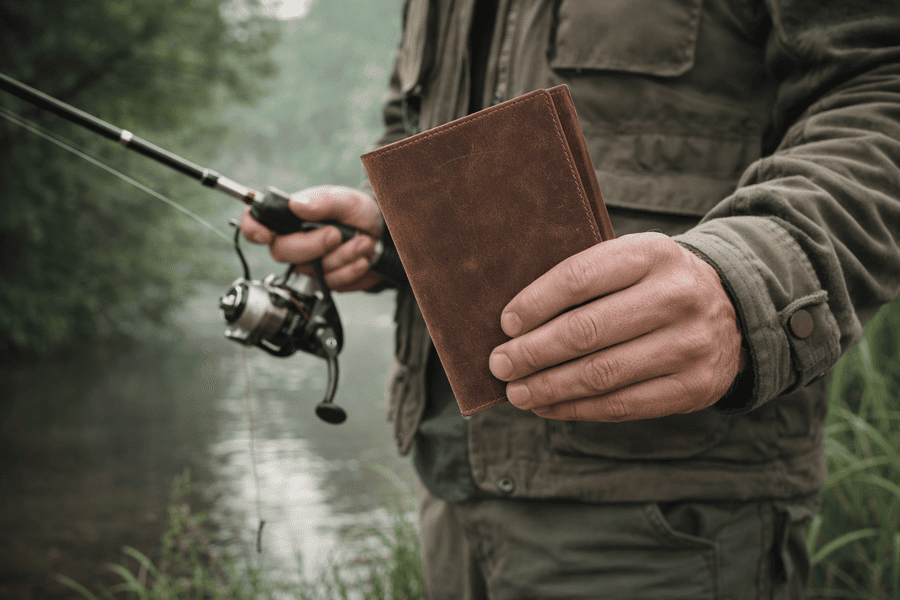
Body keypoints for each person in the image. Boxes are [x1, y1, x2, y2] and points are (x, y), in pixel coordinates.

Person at [241, 0, 900, 597]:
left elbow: (880, 84)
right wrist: (395, 234)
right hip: (447, 492)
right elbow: (413, 127)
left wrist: (745, 281)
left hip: (667, 517)